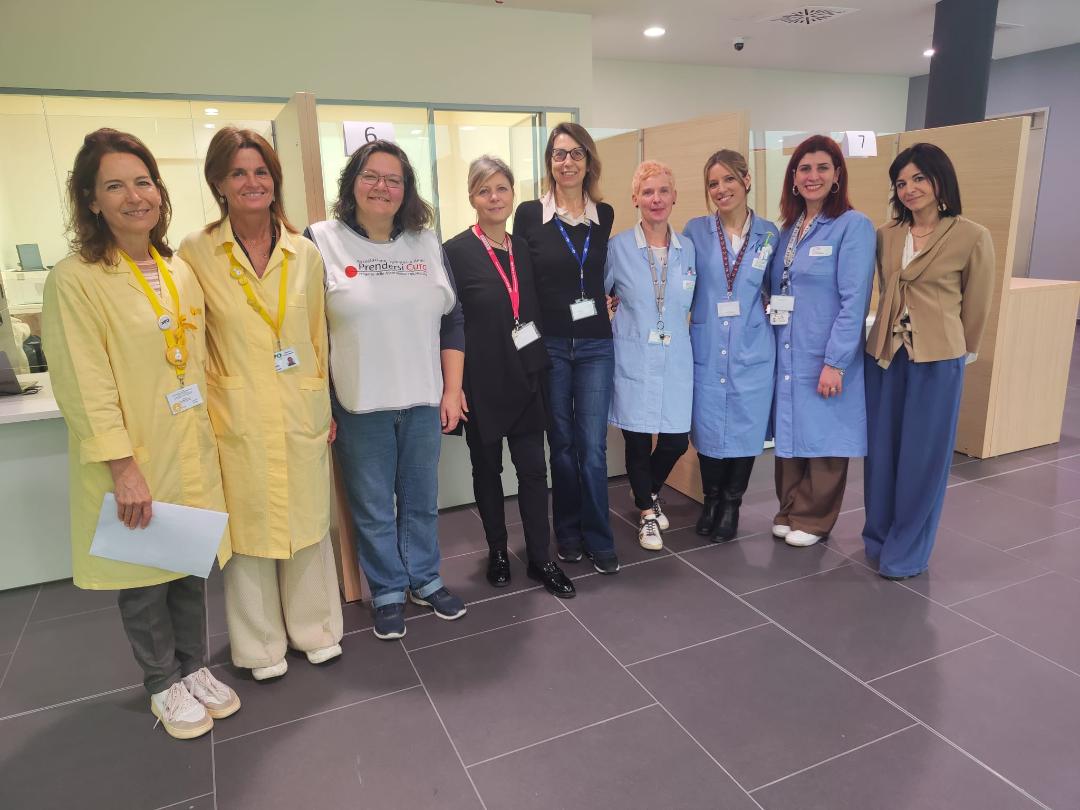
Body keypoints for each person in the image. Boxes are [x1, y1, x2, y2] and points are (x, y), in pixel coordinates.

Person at [42, 129, 239, 739]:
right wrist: (123, 467)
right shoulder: (76, 278)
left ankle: (193, 668)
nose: (135, 196)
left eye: (143, 182)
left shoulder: (178, 269)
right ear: (91, 200)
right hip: (135, 453)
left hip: (187, 443)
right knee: (143, 578)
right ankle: (161, 683)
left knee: (186, 566)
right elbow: (84, 383)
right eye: (115, 186)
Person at [178, 128, 343, 681]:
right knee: (247, 529)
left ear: (275, 180)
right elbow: (194, 342)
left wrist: (323, 404)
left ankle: (316, 628)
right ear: (219, 184)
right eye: (238, 173)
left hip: (299, 406)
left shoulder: (304, 252)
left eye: (261, 172)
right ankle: (259, 645)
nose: (252, 182)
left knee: (308, 521)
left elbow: (317, 337)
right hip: (237, 412)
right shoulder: (196, 252)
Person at [306, 140, 467, 640]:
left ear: (406, 189)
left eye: (394, 179)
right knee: (374, 508)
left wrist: (453, 391)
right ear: (351, 183)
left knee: (421, 501)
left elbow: (452, 320)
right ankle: (389, 590)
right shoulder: (321, 241)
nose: (382, 187)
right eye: (371, 176)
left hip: (422, 399)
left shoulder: (426, 243)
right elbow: (308, 333)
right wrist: (320, 405)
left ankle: (425, 578)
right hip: (359, 404)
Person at [443, 156, 574, 596]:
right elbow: (449, 322)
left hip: (526, 376)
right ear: (472, 198)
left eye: (501, 188)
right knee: (487, 471)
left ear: (513, 193)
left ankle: (540, 558)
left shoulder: (524, 249)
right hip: (481, 381)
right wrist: (453, 385)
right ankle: (498, 551)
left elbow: (537, 306)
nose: (494, 198)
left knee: (534, 471)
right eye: (484, 190)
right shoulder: (455, 252)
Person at [863, 143, 993, 580]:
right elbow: (884, 290)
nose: (909, 189)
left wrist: (960, 351)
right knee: (882, 452)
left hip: (938, 359)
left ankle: (908, 548)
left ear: (940, 180)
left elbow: (976, 304)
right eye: (901, 182)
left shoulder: (971, 235)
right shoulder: (886, 235)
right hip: (885, 357)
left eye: (919, 178)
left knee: (924, 457)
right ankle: (879, 535)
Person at [514, 123, 619, 574]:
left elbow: (603, 274)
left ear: (588, 161)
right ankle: (569, 533)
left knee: (592, 447)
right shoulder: (529, 215)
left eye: (576, 153)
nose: (567, 162)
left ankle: (599, 536)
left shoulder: (604, 215)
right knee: (561, 444)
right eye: (559, 154)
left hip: (596, 344)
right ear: (549, 162)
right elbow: (521, 281)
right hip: (552, 344)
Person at [769, 135, 875, 548]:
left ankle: (814, 518)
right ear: (794, 178)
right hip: (789, 349)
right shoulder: (789, 229)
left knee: (826, 434)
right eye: (805, 169)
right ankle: (789, 508)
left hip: (826, 350)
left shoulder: (853, 226)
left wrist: (836, 361)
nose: (812, 176)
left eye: (822, 168)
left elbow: (854, 300)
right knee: (792, 430)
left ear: (837, 176)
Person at [683, 150, 779, 543]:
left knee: (746, 426)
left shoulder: (770, 234)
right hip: (707, 343)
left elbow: (778, 286)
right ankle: (711, 500)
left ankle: (732, 504)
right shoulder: (695, 231)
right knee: (707, 426)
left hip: (752, 346)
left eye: (728, 180)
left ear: (746, 180)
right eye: (713, 183)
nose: (721, 189)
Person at [605, 160, 696, 551]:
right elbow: (597, 294)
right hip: (634, 357)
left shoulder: (688, 249)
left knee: (676, 440)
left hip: (675, 358)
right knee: (638, 440)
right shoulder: (618, 248)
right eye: (647, 192)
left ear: (674, 197)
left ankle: (647, 490)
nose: (655, 199)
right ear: (635, 199)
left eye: (662, 191)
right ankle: (646, 512)